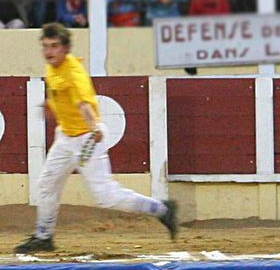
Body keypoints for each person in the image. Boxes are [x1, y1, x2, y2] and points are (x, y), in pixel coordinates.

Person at [15, 23, 177, 254]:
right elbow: (63, 94)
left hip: (87, 138)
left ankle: (161, 209)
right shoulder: (53, 66)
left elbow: (83, 104)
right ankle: (44, 237)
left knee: (106, 196)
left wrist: (94, 127)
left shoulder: (75, 73)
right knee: (46, 185)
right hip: (66, 135)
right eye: (45, 47)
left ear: (66, 48)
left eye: (54, 47)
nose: (49, 52)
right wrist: (52, 105)